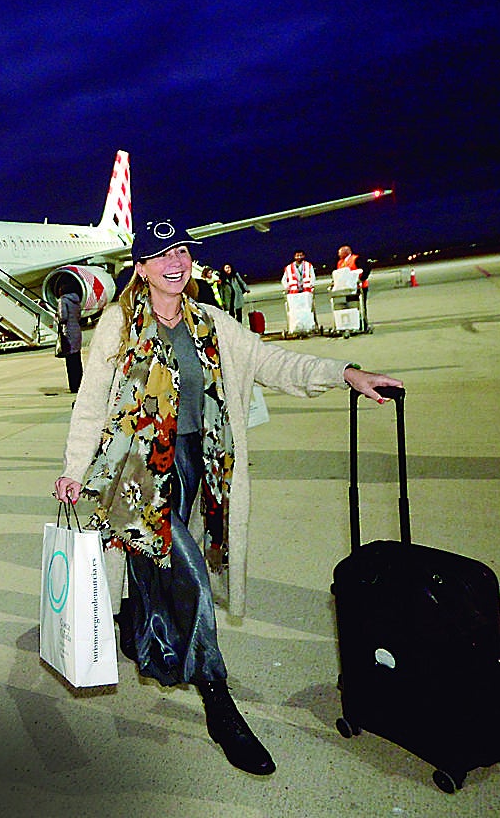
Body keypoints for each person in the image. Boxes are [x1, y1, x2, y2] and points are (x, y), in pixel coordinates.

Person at [54, 218, 401, 776]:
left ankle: (140, 624)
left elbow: (271, 362)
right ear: (141, 267)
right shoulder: (118, 323)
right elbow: (92, 400)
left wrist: (345, 373)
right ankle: (218, 701)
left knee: (161, 568)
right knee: (188, 573)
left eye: (182, 252)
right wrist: (75, 469)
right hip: (136, 474)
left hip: (197, 465)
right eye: (162, 254)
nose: (175, 262)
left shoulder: (210, 322)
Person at [54, 276, 84, 393]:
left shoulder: (63, 300)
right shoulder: (76, 300)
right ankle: (80, 384)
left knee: (70, 361)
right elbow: (79, 316)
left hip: (67, 331)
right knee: (77, 359)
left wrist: (56, 317)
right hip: (77, 330)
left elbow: (63, 317)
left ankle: (73, 385)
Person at [337, 245, 369, 330]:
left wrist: (361, 279)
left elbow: (366, 269)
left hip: (360, 287)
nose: (339, 255)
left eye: (340, 253)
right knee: (351, 306)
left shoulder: (356, 259)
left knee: (361, 305)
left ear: (346, 252)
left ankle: (363, 323)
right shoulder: (340, 262)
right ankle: (354, 323)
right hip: (347, 288)